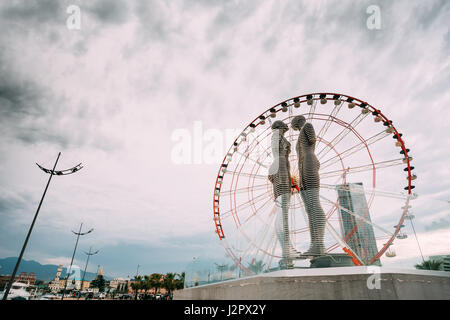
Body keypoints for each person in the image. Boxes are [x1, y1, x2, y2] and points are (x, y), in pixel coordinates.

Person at [292, 116, 326, 256]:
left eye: (293, 123)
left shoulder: (307, 126)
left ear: (298, 121)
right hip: (303, 166)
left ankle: (319, 244)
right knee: (309, 208)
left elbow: (312, 140)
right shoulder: (301, 132)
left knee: (314, 203)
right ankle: (315, 245)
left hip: (309, 163)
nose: (292, 125)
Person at [268, 120, 298, 268]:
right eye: (284, 126)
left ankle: (288, 248)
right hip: (280, 170)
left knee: (283, 211)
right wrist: (274, 172)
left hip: (284, 170)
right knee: (282, 211)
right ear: (280, 127)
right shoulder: (275, 134)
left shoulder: (279, 136)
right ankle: (287, 248)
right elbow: (276, 154)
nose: (287, 126)